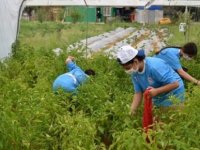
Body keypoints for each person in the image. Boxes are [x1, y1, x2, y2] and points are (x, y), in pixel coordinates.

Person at [117, 45, 185, 115]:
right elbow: (138, 93)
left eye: (128, 68)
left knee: (172, 116)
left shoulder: (154, 67)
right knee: (157, 117)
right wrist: (132, 111)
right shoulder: (135, 72)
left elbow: (175, 84)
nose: (127, 70)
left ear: (136, 62)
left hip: (174, 92)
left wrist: (157, 91)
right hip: (158, 94)